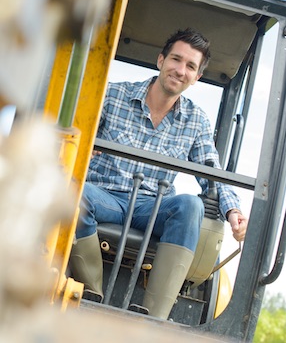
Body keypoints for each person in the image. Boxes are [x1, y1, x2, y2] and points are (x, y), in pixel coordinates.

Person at [70, 28, 248, 319]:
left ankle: (152, 318)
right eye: (176, 59)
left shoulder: (196, 121)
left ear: (197, 78)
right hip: (103, 196)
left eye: (190, 66)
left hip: (150, 207)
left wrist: (233, 210)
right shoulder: (113, 95)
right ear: (161, 60)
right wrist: (83, 147)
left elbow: (212, 172)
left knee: (191, 205)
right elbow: (76, 134)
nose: (181, 70)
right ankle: (91, 294)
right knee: (72, 193)